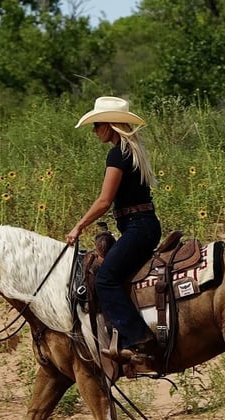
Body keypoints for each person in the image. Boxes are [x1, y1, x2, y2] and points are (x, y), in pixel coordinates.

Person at [67, 96, 161, 363]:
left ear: (110, 125)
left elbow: (104, 201)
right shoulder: (132, 150)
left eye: (97, 124)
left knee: (105, 278)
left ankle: (140, 340)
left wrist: (78, 226)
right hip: (143, 226)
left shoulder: (117, 153)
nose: (95, 130)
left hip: (137, 228)